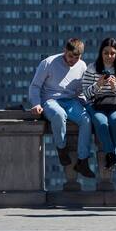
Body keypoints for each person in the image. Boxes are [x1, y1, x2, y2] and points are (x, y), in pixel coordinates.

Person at [27, 39, 93, 178]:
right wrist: (36, 103)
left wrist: (87, 103)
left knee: (86, 119)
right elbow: (35, 86)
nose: (73, 60)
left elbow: (80, 91)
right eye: (70, 56)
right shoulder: (48, 63)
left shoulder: (82, 66)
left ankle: (83, 160)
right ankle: (61, 148)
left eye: (77, 57)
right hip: (50, 100)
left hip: (71, 101)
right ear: (65, 51)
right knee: (59, 115)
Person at [81, 37, 116, 173]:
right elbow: (85, 93)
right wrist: (98, 85)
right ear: (101, 53)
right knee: (101, 122)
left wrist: (115, 87)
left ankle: (111, 155)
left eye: (112, 53)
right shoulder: (92, 69)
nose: (109, 56)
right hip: (96, 104)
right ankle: (112, 155)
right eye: (106, 53)